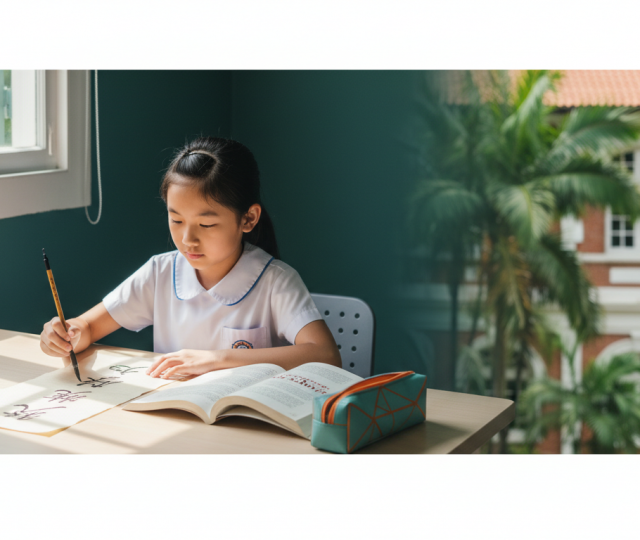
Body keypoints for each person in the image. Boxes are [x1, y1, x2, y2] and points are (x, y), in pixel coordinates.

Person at [39, 136, 341, 380]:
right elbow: (88, 326)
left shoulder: (276, 280)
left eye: (206, 224)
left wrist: (217, 359)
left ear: (248, 219)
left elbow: (326, 355)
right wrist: (68, 334)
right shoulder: (161, 272)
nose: (188, 240)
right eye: (176, 220)